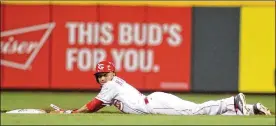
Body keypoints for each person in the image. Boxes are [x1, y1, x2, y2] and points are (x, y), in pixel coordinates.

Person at [53, 61, 271, 116]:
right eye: (99, 75)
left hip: (154, 105)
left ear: (113, 74)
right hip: (155, 99)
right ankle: (249, 109)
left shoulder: (110, 86)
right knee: (196, 110)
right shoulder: (113, 84)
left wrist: (70, 113)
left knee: (195, 112)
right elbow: (99, 105)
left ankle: (231, 102)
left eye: (105, 74)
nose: (102, 78)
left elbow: (93, 105)